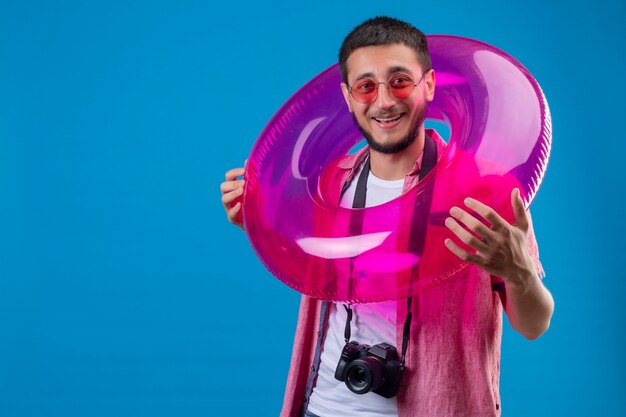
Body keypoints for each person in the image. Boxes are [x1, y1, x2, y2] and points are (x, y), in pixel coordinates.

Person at [220, 16, 554, 417]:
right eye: (366, 86)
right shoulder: (329, 187)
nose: (384, 101)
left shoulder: (483, 190)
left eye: (399, 81)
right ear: (347, 96)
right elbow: (314, 261)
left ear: (429, 85)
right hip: (324, 407)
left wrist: (519, 272)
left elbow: (535, 325)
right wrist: (263, 223)